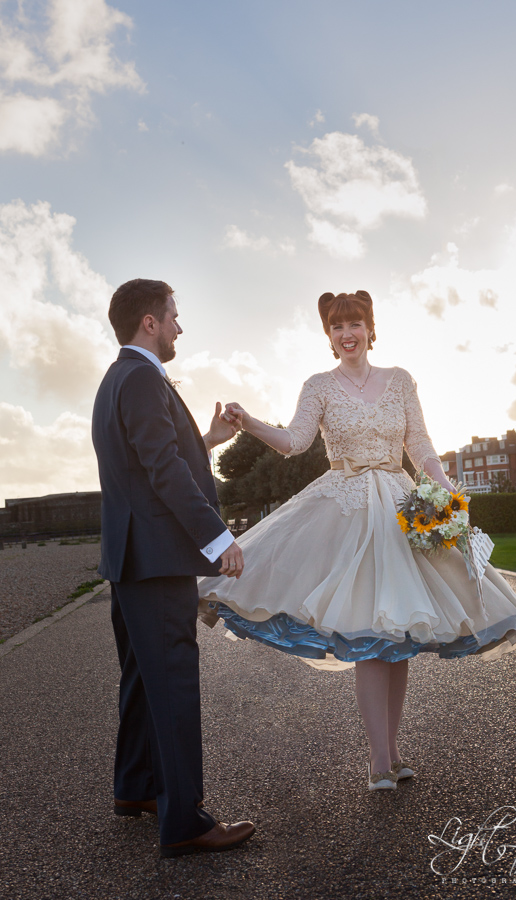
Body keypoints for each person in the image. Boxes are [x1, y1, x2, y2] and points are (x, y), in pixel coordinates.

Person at [197, 290, 516, 792]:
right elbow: (295, 443)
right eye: (337, 327)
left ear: (370, 328)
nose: (347, 333)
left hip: (401, 507)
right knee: (370, 636)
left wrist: (445, 491)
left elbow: (419, 443)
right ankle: (378, 759)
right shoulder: (318, 386)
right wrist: (248, 423)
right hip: (347, 510)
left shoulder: (399, 380)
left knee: (397, 640)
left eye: (355, 323)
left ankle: (392, 752)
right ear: (329, 336)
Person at [92, 278, 255, 856]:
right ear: (150, 323)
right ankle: (184, 821)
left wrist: (205, 439)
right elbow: (161, 468)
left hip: (132, 558)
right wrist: (217, 537)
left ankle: (136, 788)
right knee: (174, 683)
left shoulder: (120, 378)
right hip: (157, 561)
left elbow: (150, 457)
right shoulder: (140, 377)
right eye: (174, 316)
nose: (180, 326)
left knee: (141, 677)